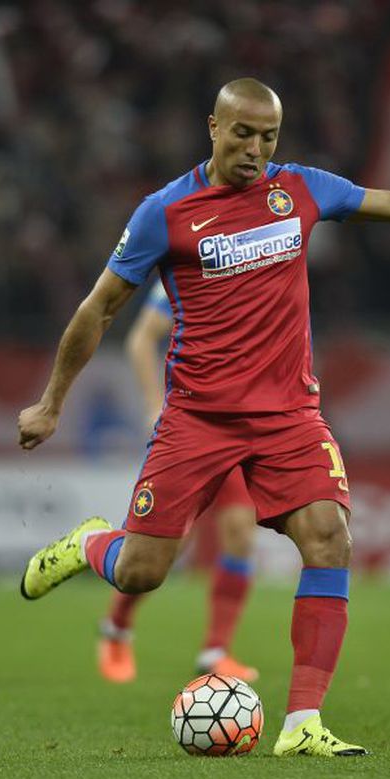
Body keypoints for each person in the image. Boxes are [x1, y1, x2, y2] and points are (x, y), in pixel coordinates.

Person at [18, 77, 390, 757]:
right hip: (197, 418)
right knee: (142, 570)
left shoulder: (301, 189)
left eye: (268, 138)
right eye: (243, 134)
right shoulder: (165, 212)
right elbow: (100, 309)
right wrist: (52, 401)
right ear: (213, 127)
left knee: (330, 537)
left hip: (290, 415)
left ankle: (302, 724)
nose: (256, 149)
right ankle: (89, 542)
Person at [98, 282, 259, 684]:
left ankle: (215, 651)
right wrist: (155, 404)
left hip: (243, 424)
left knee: (240, 530)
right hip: (193, 426)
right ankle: (116, 626)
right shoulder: (188, 267)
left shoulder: (261, 260)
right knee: (168, 547)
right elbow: (140, 340)